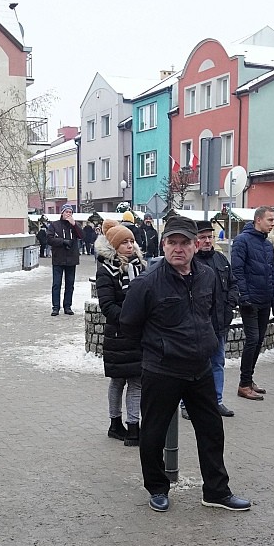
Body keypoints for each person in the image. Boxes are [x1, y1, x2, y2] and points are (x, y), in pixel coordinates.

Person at [119, 215, 250, 514]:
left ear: (194, 246)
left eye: (185, 243)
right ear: (164, 244)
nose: (178, 248)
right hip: (162, 369)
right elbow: (128, 324)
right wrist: (156, 349)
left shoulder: (206, 275)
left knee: (211, 430)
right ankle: (157, 488)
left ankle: (216, 491)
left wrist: (208, 341)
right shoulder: (147, 282)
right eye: (172, 242)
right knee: (153, 433)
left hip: (199, 367)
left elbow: (212, 311)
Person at [95, 220, 145, 446]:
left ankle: (134, 428)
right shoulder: (106, 271)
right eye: (124, 242)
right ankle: (115, 424)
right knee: (118, 381)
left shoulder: (140, 267)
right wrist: (128, 319)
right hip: (119, 334)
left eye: (132, 241)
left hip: (138, 334)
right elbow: (107, 305)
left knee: (136, 381)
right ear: (114, 246)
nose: (129, 246)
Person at [231, 206, 274, 400]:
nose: (273, 223)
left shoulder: (267, 245)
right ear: (258, 220)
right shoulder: (242, 241)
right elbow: (238, 271)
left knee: (259, 340)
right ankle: (243, 384)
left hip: (264, 300)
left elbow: (272, 275)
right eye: (270, 220)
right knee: (252, 340)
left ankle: (249, 379)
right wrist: (244, 297)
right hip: (250, 301)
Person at [192, 220, 240, 416]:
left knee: (217, 363)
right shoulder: (191, 262)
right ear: (195, 240)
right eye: (202, 237)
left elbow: (233, 284)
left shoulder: (221, 259)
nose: (207, 241)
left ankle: (216, 401)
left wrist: (230, 305)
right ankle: (188, 404)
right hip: (197, 327)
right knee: (194, 367)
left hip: (219, 324)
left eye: (210, 237)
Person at [48, 205, 80, 316]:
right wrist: (63, 241)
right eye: (66, 212)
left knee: (70, 284)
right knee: (56, 284)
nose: (68, 214)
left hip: (72, 259)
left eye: (70, 212)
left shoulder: (74, 226)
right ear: (62, 213)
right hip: (58, 258)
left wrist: (75, 225)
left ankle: (68, 306)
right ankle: (55, 307)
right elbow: (50, 239)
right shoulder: (54, 225)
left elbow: (82, 236)